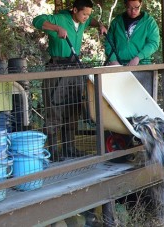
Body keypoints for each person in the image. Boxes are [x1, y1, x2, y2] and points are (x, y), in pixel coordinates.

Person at [32, 0, 107, 161]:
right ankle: (52, 150)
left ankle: (69, 147)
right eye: (84, 14)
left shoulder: (83, 22)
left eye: (88, 14)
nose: (87, 17)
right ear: (74, 10)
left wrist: (99, 24)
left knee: (73, 108)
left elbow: (91, 20)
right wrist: (56, 28)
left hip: (75, 68)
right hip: (57, 68)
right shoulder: (59, 19)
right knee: (55, 108)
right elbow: (36, 21)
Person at [105, 0, 160, 96]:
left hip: (142, 67)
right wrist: (113, 60)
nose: (133, 11)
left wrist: (138, 57)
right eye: (129, 8)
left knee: (142, 98)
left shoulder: (149, 22)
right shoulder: (117, 21)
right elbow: (108, 42)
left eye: (136, 7)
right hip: (119, 67)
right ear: (125, 5)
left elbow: (153, 43)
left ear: (141, 4)